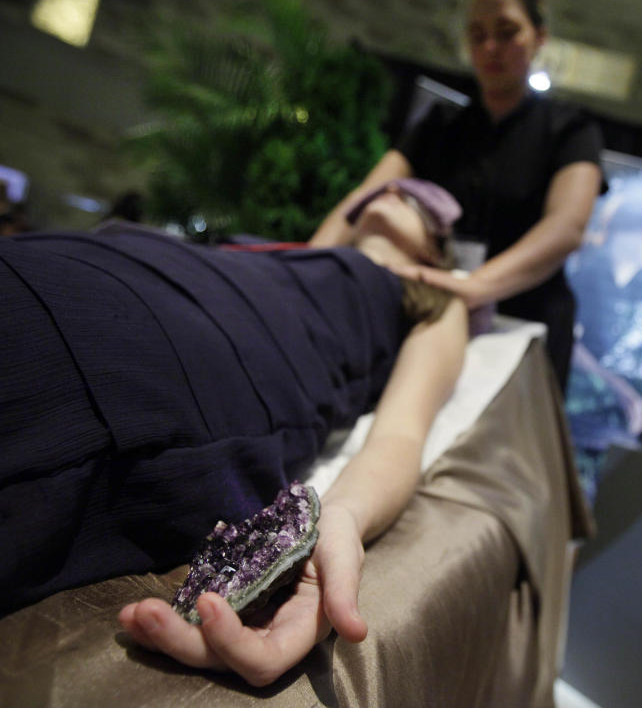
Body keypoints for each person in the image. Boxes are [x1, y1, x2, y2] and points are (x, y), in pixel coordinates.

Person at [0, 179, 467, 687]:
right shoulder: (281, 251)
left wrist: (339, 522)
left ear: (434, 248)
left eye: (418, 200)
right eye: (386, 189)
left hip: (185, 352)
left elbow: (400, 435)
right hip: (77, 262)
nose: (393, 192)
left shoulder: (437, 298)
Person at [309, 0, 604, 389]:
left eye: (507, 32)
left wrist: (476, 286)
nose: (490, 48)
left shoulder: (572, 129)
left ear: (539, 38)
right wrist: (308, 268)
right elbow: (363, 199)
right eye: (477, 35)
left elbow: (567, 226)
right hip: (437, 311)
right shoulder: (438, 126)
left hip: (527, 320)